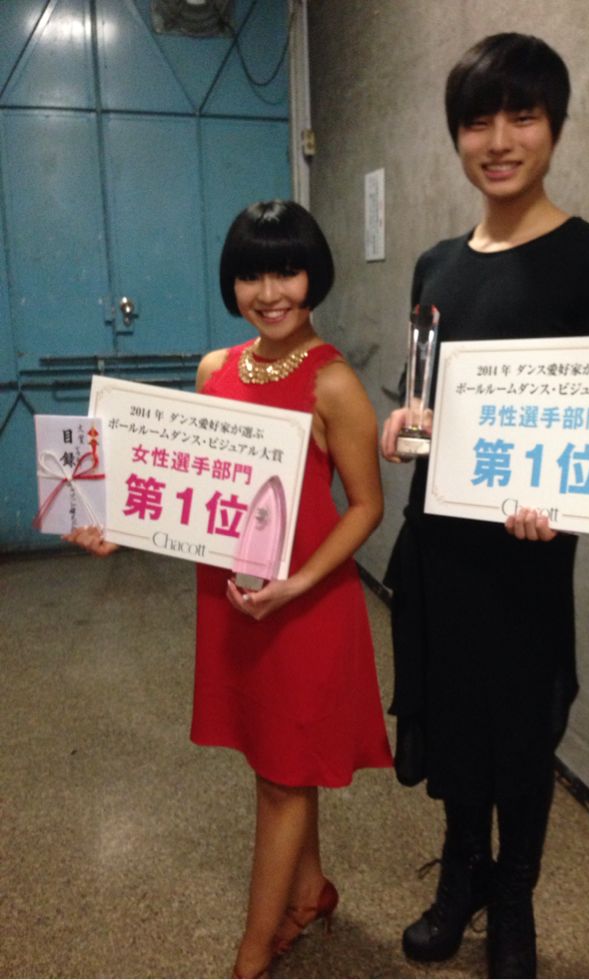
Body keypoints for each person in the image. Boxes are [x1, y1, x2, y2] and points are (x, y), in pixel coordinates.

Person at [67, 199, 393, 979]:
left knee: (283, 775)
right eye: (251, 275)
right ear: (231, 282)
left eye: (287, 271)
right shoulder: (216, 369)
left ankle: (252, 954)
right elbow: (187, 491)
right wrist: (118, 528)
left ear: (314, 276)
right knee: (275, 758)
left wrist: (296, 584)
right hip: (234, 600)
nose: (269, 292)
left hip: (304, 605)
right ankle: (308, 891)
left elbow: (367, 506)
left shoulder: (333, 382)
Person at [381, 33, 589, 979]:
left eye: (521, 116)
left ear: (554, 128)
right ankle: (462, 877)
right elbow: (426, 392)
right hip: (439, 546)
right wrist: (402, 422)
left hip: (528, 555)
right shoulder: (435, 266)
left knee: (521, 732)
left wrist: (564, 504)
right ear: (456, 134)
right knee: (454, 721)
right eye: (476, 121)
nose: (498, 141)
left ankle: (515, 898)